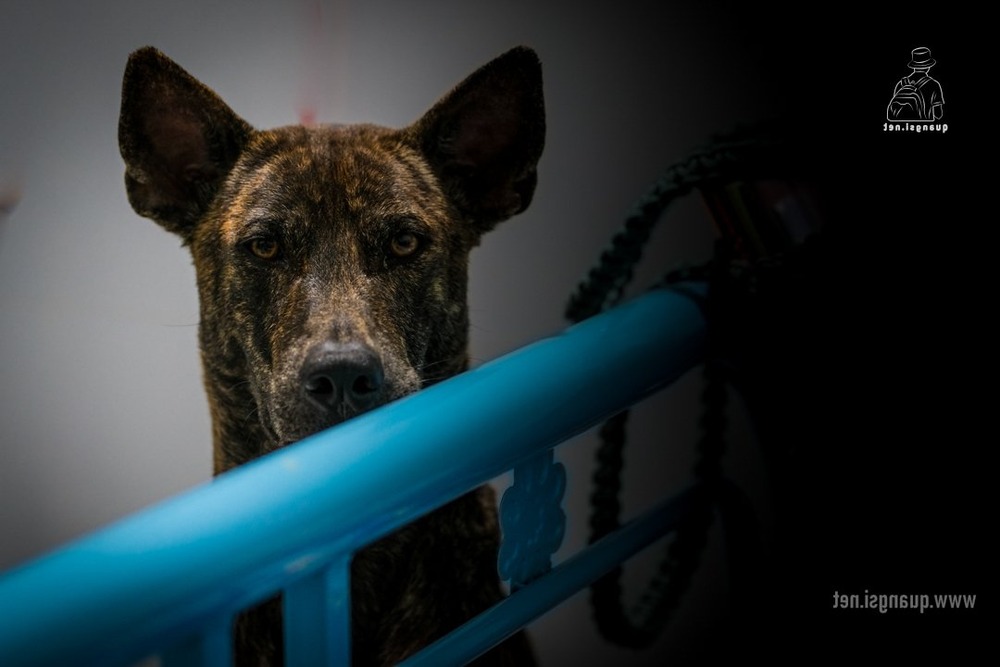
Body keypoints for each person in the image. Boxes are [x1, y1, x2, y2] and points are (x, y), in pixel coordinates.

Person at [887, 47, 944, 121]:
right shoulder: (933, 85)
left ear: (914, 66)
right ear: (928, 66)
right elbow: (938, 115)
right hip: (923, 127)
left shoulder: (900, 84)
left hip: (901, 127)